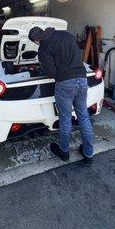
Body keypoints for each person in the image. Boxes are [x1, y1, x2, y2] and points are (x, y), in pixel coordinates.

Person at [28, 26, 93, 164]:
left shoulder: (43, 47)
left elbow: (51, 73)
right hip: (82, 79)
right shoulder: (67, 35)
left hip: (65, 84)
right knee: (84, 117)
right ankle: (88, 154)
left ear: (36, 40)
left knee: (65, 119)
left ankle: (64, 152)